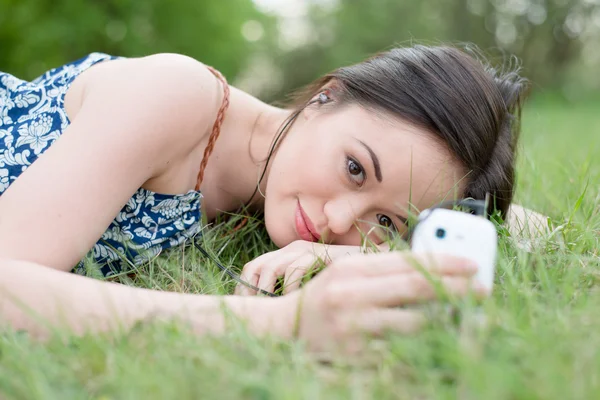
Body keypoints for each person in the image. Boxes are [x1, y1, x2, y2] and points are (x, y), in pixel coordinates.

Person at [0, 45, 529, 351]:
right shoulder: (174, 95)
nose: (336, 219)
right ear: (327, 97)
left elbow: (527, 225)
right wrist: (284, 323)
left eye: (386, 220)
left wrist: (358, 251)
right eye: (354, 169)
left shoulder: (276, 191)